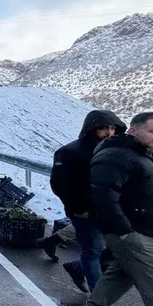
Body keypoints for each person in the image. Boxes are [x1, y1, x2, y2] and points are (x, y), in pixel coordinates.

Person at [80, 112, 153, 306]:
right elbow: (103, 198)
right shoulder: (117, 155)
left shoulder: (148, 157)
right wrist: (127, 234)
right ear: (133, 131)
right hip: (132, 233)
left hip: (145, 231)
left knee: (121, 273)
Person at [47, 110, 126, 292]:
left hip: (111, 211)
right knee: (92, 251)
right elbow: (59, 183)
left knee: (118, 250)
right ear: (91, 128)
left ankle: (77, 267)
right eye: (103, 128)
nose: (109, 133)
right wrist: (77, 207)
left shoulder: (114, 151)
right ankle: (97, 302)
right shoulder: (70, 152)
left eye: (113, 128)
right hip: (84, 211)